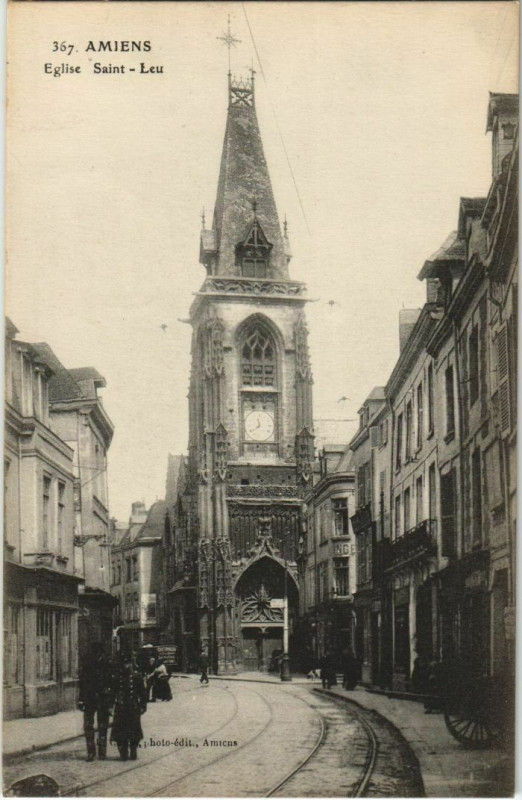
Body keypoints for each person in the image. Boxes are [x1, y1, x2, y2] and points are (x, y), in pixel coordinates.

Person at [78, 641, 114, 762]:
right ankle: (91, 752)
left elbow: (112, 685)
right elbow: (82, 684)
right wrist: (81, 700)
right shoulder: (88, 665)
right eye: (94, 652)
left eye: (97, 652)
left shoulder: (108, 665)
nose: (96, 655)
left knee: (103, 725)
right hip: (89, 699)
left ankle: (102, 752)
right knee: (88, 726)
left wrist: (110, 703)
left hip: (103, 699)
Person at [110, 652, 147, 761]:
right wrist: (110, 706)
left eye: (128, 663)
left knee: (134, 730)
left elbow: (143, 693)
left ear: (132, 664)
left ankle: (133, 750)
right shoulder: (117, 677)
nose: (127, 666)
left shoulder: (137, 676)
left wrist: (143, 706)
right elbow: (113, 692)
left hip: (133, 706)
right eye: (125, 663)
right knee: (120, 731)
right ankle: (123, 752)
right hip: (121, 707)